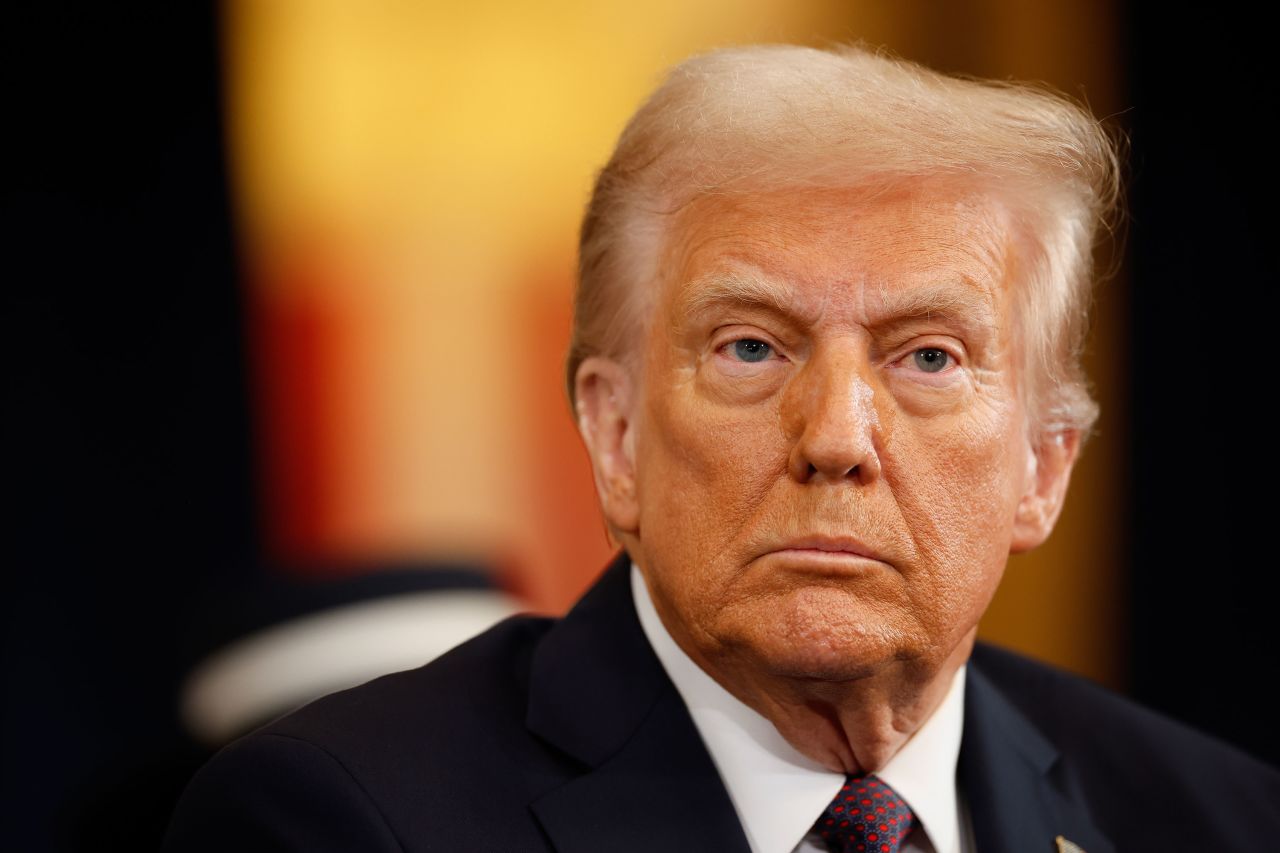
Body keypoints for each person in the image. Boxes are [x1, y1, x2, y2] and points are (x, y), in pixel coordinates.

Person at [164, 44, 1280, 852]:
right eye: (750, 347)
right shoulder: (339, 819)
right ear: (613, 434)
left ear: (1042, 467)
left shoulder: (1215, 820)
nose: (836, 435)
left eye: (928, 358)